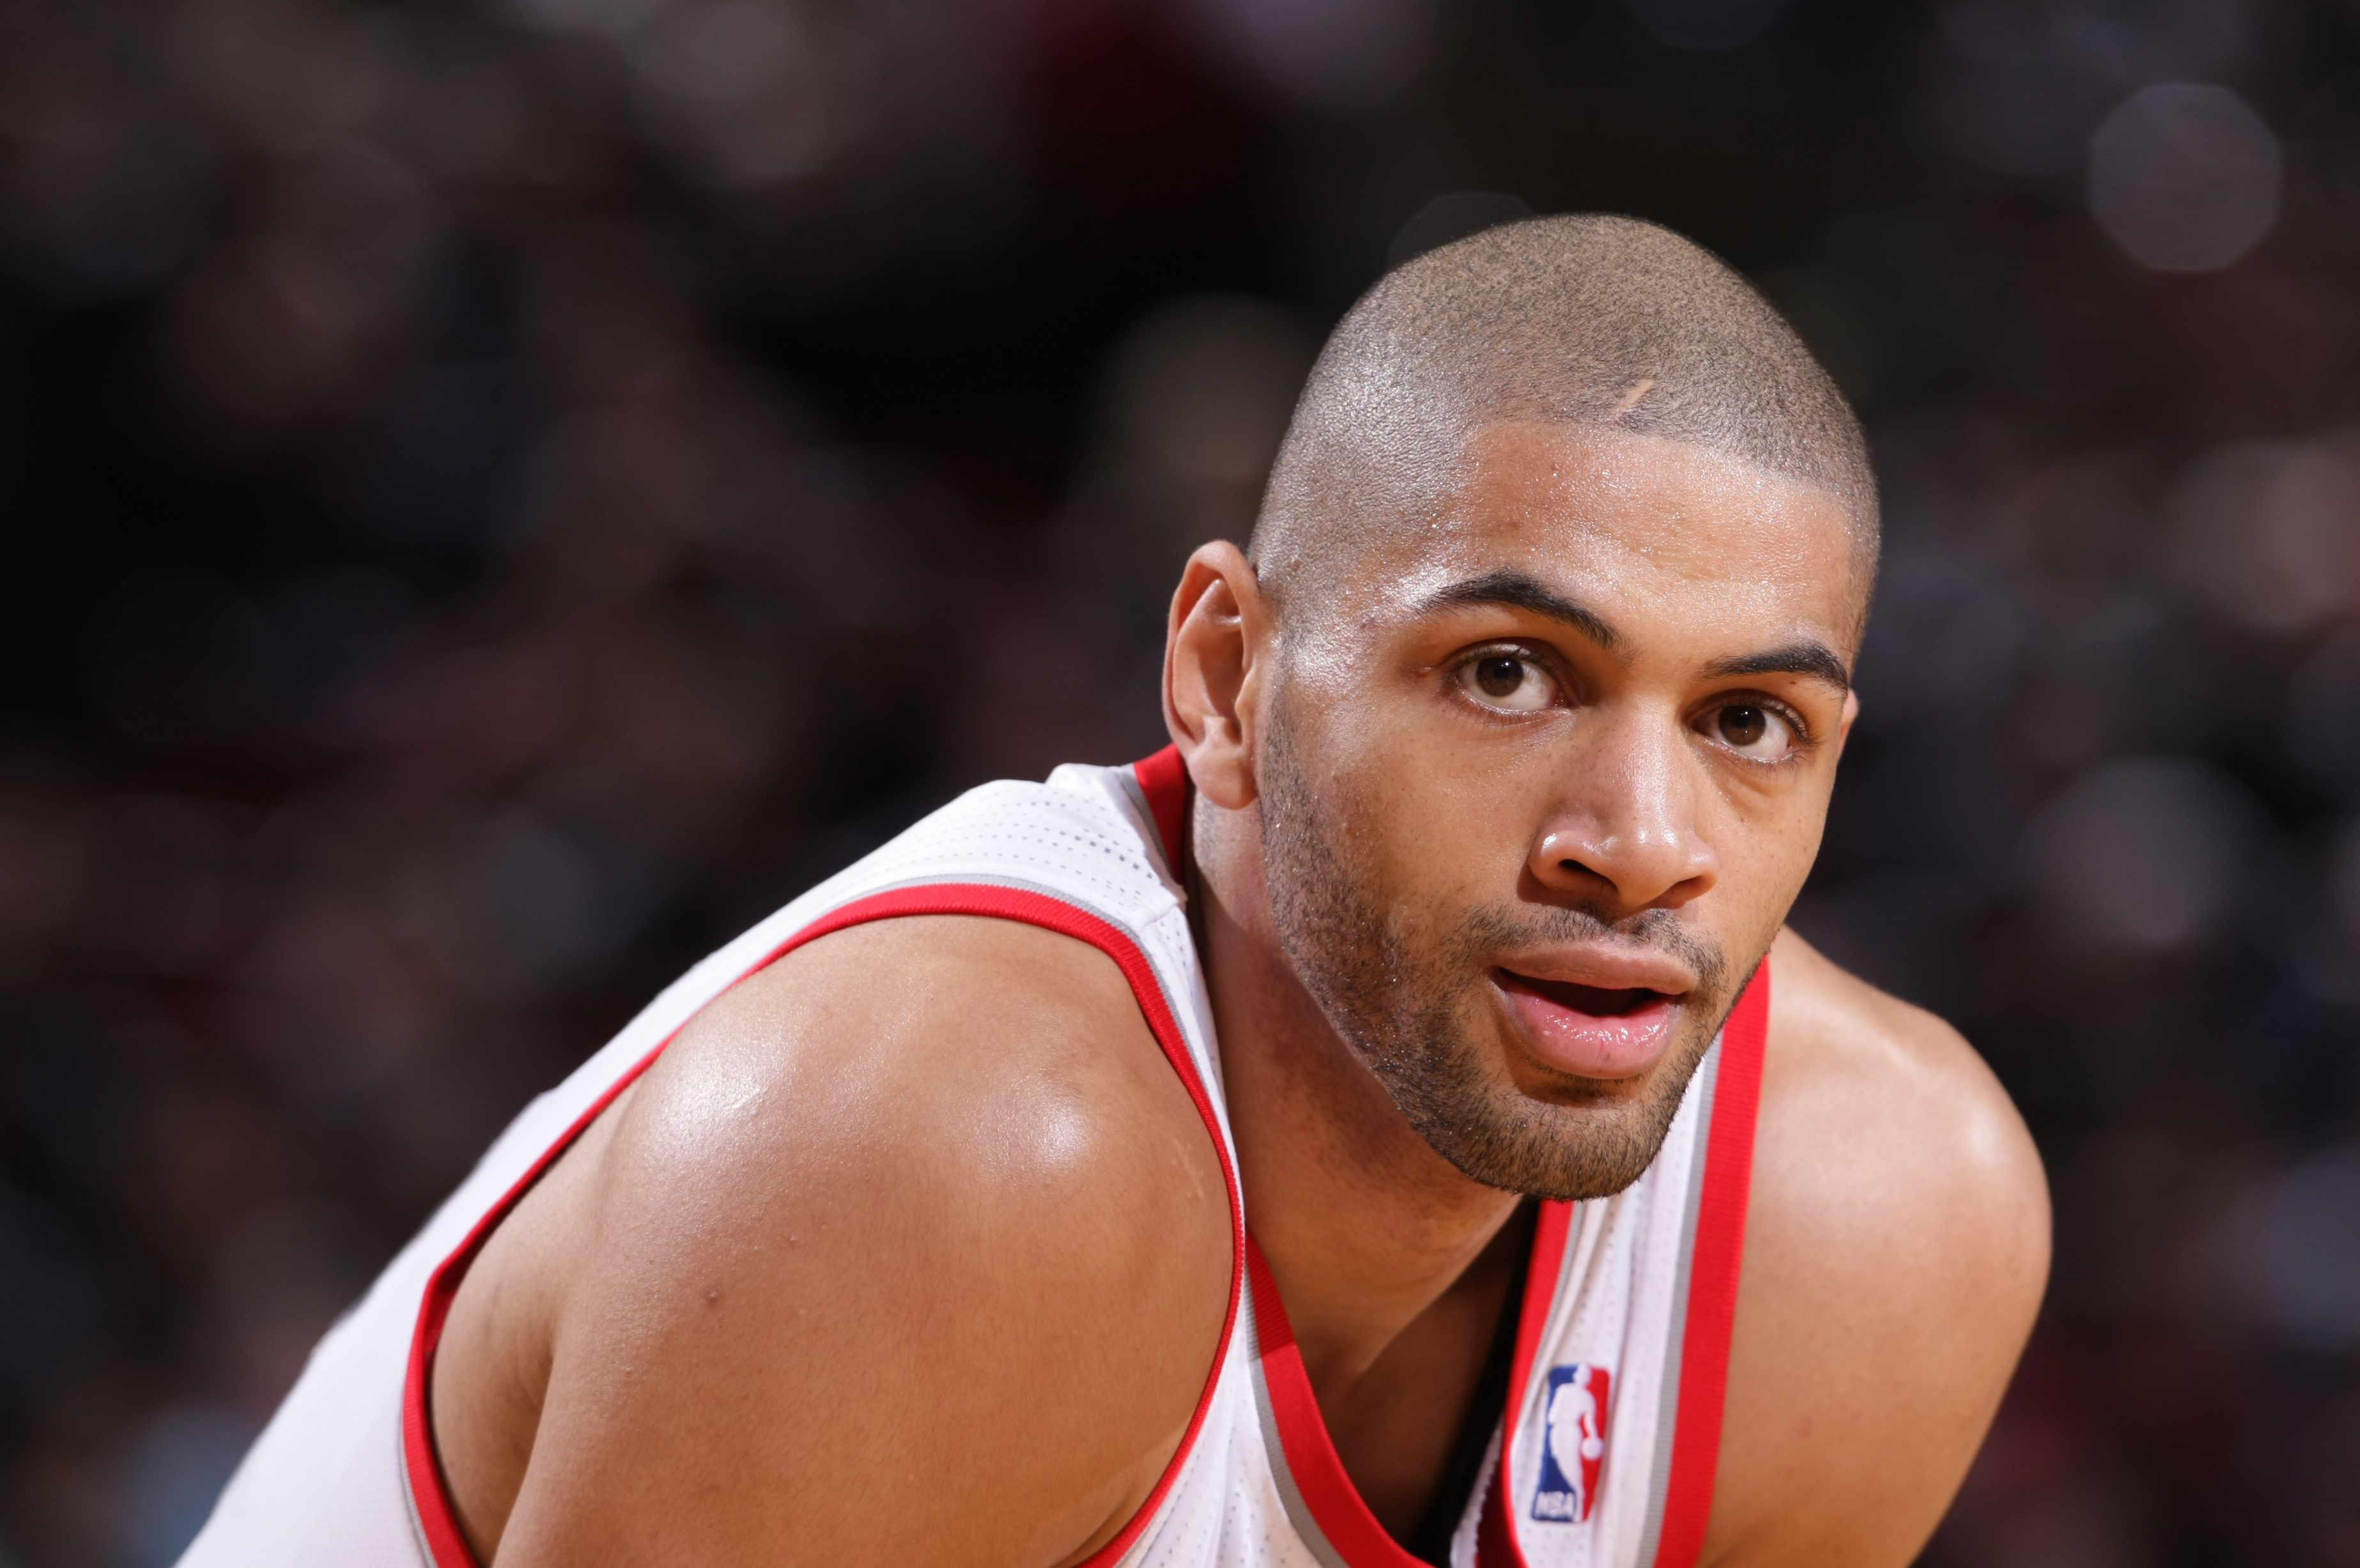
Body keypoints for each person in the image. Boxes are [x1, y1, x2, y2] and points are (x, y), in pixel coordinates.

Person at [180, 213, 2049, 1568]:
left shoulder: (1877, 1223)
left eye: (1747, 720)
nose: (1638, 840)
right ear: (1227, 675)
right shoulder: (941, 1151)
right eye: (1506, 673)